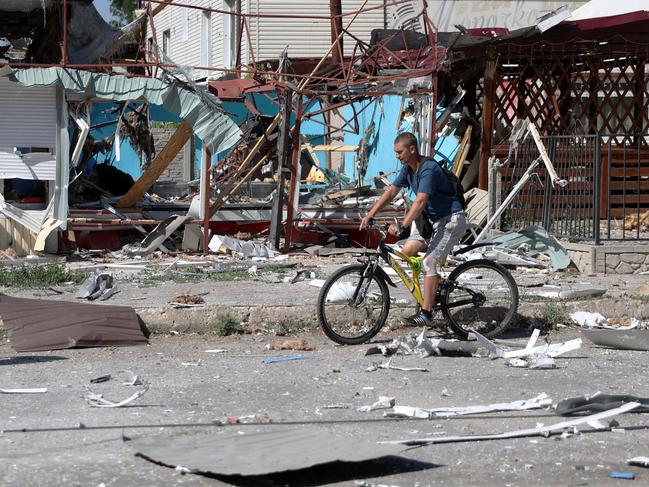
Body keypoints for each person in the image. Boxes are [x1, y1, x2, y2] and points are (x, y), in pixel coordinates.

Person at [359, 132, 467, 327]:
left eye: (400, 152)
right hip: (430, 221)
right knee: (407, 251)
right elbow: (391, 191)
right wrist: (370, 214)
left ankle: (427, 313)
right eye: (395, 152)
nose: (397, 156)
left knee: (429, 262)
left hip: (451, 219)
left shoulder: (429, 169)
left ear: (412, 149)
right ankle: (434, 286)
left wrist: (403, 224)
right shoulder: (408, 170)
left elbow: (420, 201)